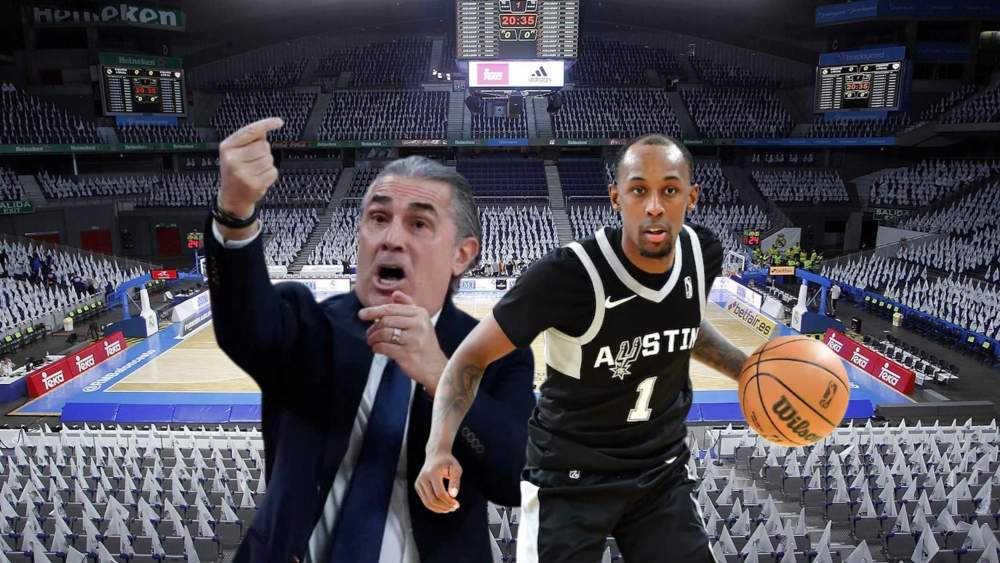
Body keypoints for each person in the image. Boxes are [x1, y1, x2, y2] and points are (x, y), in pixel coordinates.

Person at [205, 118, 535, 563]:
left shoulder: (498, 355)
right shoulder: (305, 325)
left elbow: (516, 478)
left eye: (419, 223)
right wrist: (235, 211)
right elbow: (243, 326)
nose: (391, 239)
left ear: (462, 254)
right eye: (378, 218)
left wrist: (441, 375)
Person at [418, 134, 749, 563]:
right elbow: (470, 358)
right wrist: (438, 448)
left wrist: (748, 370)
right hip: (568, 478)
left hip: (661, 471)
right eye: (638, 190)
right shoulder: (567, 276)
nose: (654, 206)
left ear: (692, 197)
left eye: (669, 190)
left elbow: (681, 324)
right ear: (616, 198)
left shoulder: (702, 254)